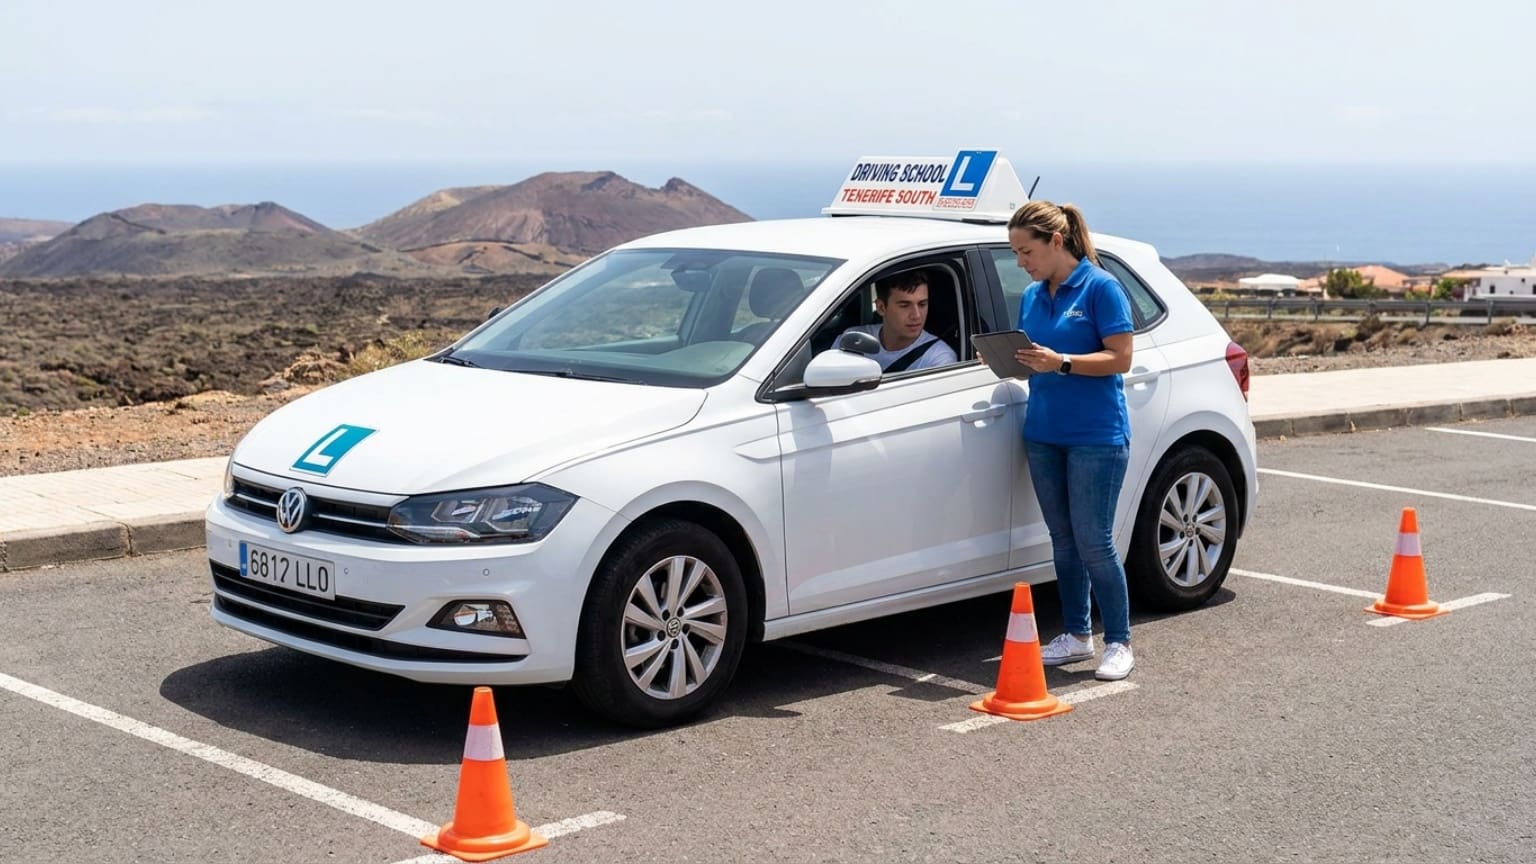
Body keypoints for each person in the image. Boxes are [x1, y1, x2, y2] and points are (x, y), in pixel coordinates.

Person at [1006, 200, 1137, 681]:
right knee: (1061, 540)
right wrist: (1009, 361)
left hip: (1095, 437)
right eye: (1016, 253)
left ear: (1055, 242)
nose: (1021, 262)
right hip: (1043, 434)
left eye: (1026, 251)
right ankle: (1077, 636)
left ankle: (1119, 641)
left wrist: (1060, 361)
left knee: (1094, 542)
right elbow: (1033, 357)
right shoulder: (1033, 295)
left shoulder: (1102, 288)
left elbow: (1120, 358)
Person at [839, 271, 958, 372]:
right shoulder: (853, 340)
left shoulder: (939, 358)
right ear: (881, 308)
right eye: (905, 305)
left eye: (922, 304)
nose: (916, 315)